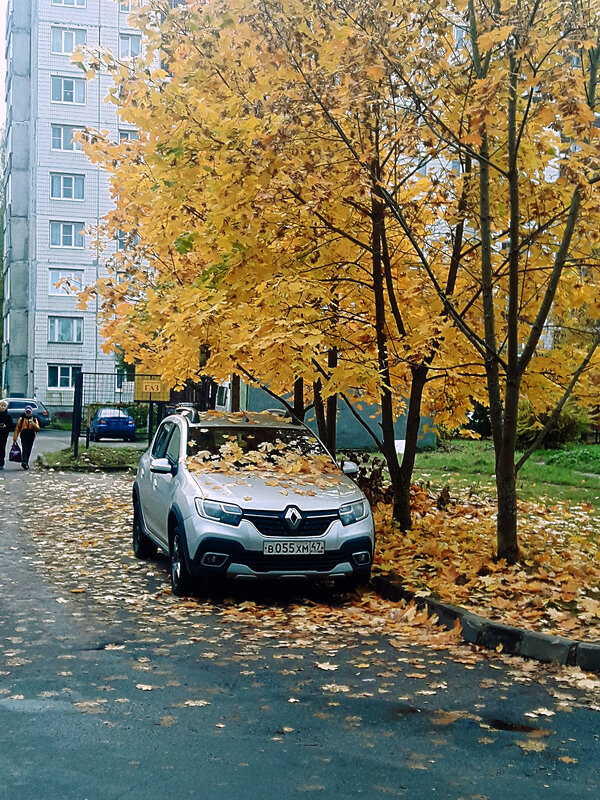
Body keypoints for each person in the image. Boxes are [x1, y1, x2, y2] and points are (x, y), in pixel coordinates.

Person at [13, 405, 40, 470]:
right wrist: (15, 438)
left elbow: (38, 428)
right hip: (24, 435)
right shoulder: (22, 419)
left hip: (31, 436)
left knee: (29, 450)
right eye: (27, 412)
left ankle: (26, 462)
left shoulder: (34, 419)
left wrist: (33, 424)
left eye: (29, 412)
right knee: (24, 449)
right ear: (25, 412)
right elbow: (17, 429)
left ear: (31, 412)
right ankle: (24, 462)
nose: (28, 413)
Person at [0, 400, 13, 470]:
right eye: (1, 406)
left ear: (6, 407)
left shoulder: (8, 415)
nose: (3, 407)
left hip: (4, 435)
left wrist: (6, 426)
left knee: (2, 449)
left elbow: (11, 425)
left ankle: (1, 463)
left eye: (4, 406)